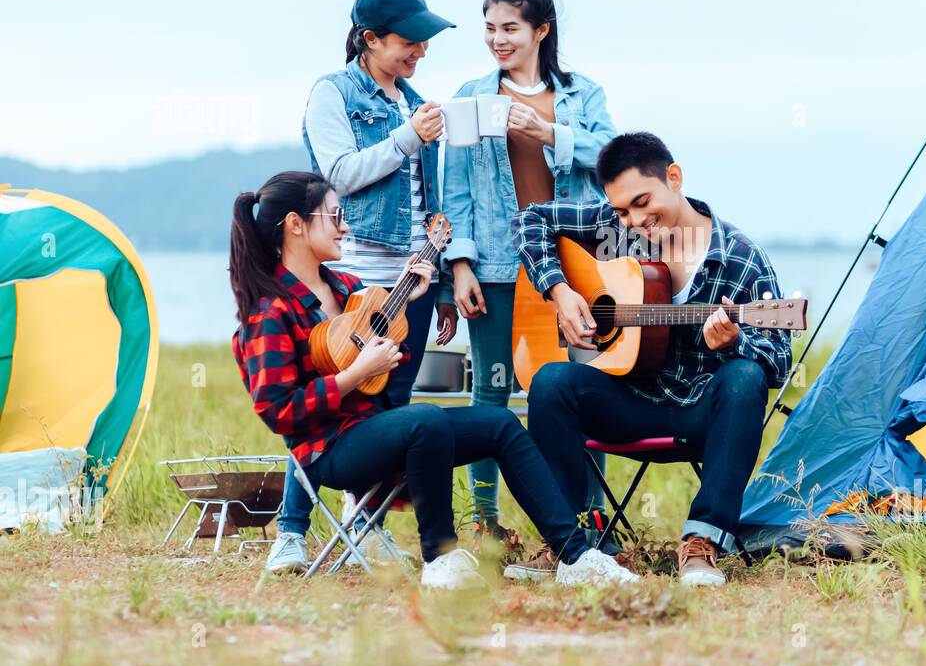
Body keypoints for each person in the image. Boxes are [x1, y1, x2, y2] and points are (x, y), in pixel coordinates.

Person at [228, 170, 638, 588]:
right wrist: (354, 375)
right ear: (296, 225)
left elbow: (385, 376)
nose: (345, 226)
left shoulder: (349, 288)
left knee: (500, 424)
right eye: (335, 216)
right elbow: (280, 411)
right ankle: (440, 559)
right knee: (424, 420)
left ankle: (574, 555)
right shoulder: (270, 312)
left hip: (378, 429)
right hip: (329, 452)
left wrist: (400, 316)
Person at [509, 133, 792, 586]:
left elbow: (779, 359)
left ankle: (702, 545)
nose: (635, 220)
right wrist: (559, 291)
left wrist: (735, 341)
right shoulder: (613, 230)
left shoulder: (741, 259)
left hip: (700, 415)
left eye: (642, 202)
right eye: (622, 210)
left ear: (673, 178)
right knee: (551, 381)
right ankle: (568, 547)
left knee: (744, 376)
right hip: (628, 400)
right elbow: (530, 219)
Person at [267, 0, 458, 572]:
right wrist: (408, 138)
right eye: (409, 40)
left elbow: (431, 202)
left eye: (425, 42)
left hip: (412, 278)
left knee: (391, 404)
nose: (419, 51)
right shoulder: (333, 92)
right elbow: (339, 175)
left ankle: (366, 528)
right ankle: (292, 532)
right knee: (326, 399)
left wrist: (443, 279)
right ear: (369, 39)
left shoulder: (412, 97)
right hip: (350, 269)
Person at [441, 0, 617, 537]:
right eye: (490, 28)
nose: (498, 38)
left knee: (584, 385)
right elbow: (457, 188)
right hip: (495, 263)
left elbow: (613, 157)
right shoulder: (472, 96)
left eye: (510, 27)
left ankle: (589, 519)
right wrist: (460, 264)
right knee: (491, 388)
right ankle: (484, 522)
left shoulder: (581, 94)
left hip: (575, 264)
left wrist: (549, 132)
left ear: (541, 29)